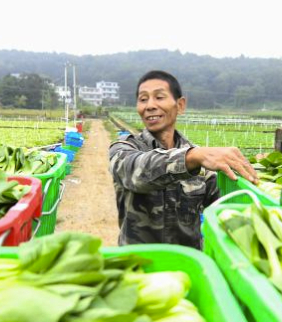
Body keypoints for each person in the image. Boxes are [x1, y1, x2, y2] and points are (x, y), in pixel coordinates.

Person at [108, 70, 258, 249]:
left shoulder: (200, 161)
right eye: (143, 99)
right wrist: (191, 157)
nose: (150, 105)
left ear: (180, 105)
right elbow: (135, 172)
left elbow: (223, 205)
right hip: (139, 265)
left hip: (187, 266)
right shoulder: (124, 148)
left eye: (159, 97)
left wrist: (254, 173)